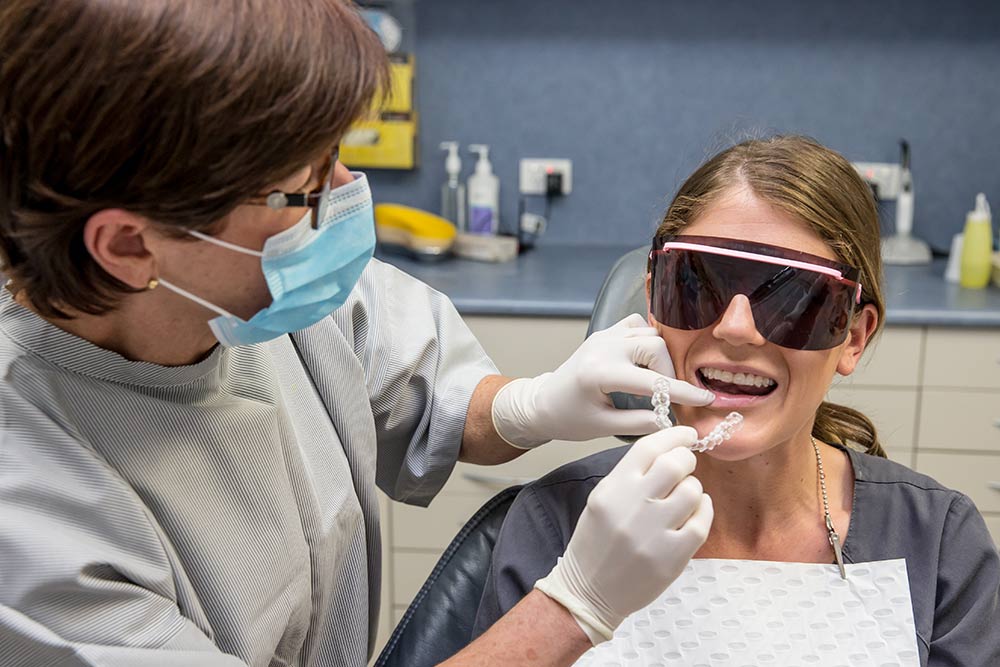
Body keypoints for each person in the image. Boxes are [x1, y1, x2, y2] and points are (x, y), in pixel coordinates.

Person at [0, 2, 724, 666]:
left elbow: (431, 399)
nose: (344, 192)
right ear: (129, 246)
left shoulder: (270, 286)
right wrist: (575, 606)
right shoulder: (32, 526)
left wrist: (532, 404)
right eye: (305, 182)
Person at [472, 136, 1000, 665]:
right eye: (698, 284)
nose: (737, 328)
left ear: (854, 338)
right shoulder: (555, 525)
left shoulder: (937, 542)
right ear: (654, 303)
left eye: (793, 298)